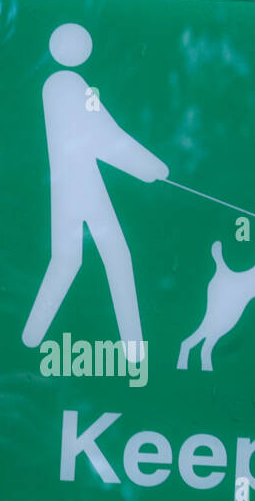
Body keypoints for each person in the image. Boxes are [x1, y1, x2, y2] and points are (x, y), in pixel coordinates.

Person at [22, 22, 169, 362]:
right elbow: (105, 138)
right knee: (112, 255)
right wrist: (150, 169)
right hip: (81, 185)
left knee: (69, 260)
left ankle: (31, 337)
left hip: (70, 186)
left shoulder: (55, 85)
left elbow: (102, 135)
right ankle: (133, 353)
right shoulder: (70, 85)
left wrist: (147, 167)